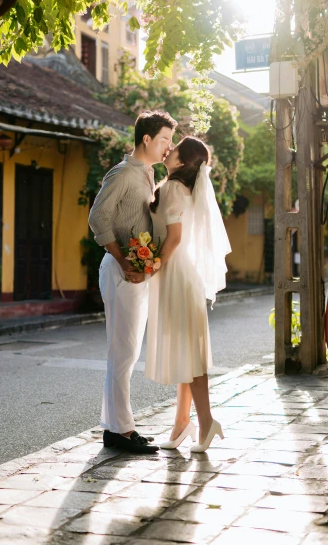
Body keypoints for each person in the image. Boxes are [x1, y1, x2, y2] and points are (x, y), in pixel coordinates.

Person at [89, 110, 177, 454]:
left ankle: (117, 427)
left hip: (135, 270)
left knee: (126, 352)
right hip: (120, 269)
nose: (169, 146)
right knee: (122, 352)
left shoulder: (147, 173)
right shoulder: (124, 173)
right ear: (146, 139)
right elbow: (98, 216)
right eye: (165, 139)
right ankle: (121, 432)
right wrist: (124, 259)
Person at [145, 136, 231, 452]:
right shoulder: (185, 189)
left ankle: (207, 423)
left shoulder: (170, 189)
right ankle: (182, 424)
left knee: (190, 355)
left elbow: (175, 238)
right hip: (183, 275)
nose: (169, 150)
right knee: (187, 351)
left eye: (175, 148)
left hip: (175, 276)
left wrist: (151, 266)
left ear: (181, 162)